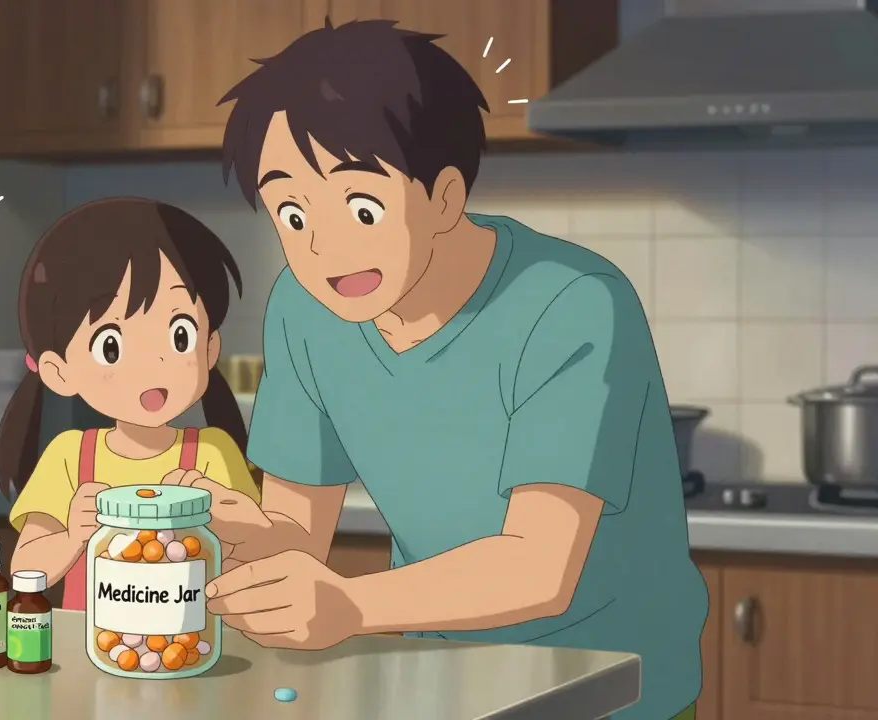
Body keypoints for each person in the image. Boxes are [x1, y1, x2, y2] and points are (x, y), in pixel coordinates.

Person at [165, 18, 706, 720]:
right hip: (438, 677)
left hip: (610, 683)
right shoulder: (305, 309)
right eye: (292, 215)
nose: (324, 248)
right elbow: (299, 535)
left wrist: (350, 604)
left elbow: (539, 568)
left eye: (362, 206)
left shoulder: (571, 302)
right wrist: (250, 534)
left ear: (444, 196)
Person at [0, 197, 261, 611]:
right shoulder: (70, 457)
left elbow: (260, 558)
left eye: (179, 335)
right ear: (59, 371)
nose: (153, 365)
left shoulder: (212, 453)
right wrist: (72, 536)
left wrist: (231, 526)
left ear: (210, 348)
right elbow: (25, 570)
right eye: (112, 346)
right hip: (90, 644)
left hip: (187, 640)